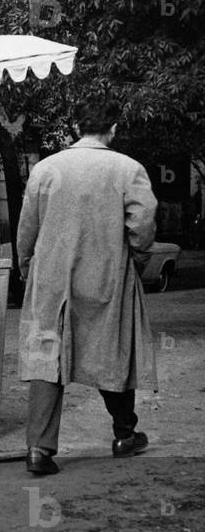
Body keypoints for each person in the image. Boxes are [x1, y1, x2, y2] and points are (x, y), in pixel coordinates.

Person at [17, 100, 157, 475]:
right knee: (112, 348)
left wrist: (28, 267)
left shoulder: (45, 169)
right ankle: (124, 434)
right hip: (106, 273)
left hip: (52, 278)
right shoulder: (129, 169)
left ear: (77, 127)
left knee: (49, 358)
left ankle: (38, 450)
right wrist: (133, 263)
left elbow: (27, 228)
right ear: (112, 129)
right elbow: (142, 230)